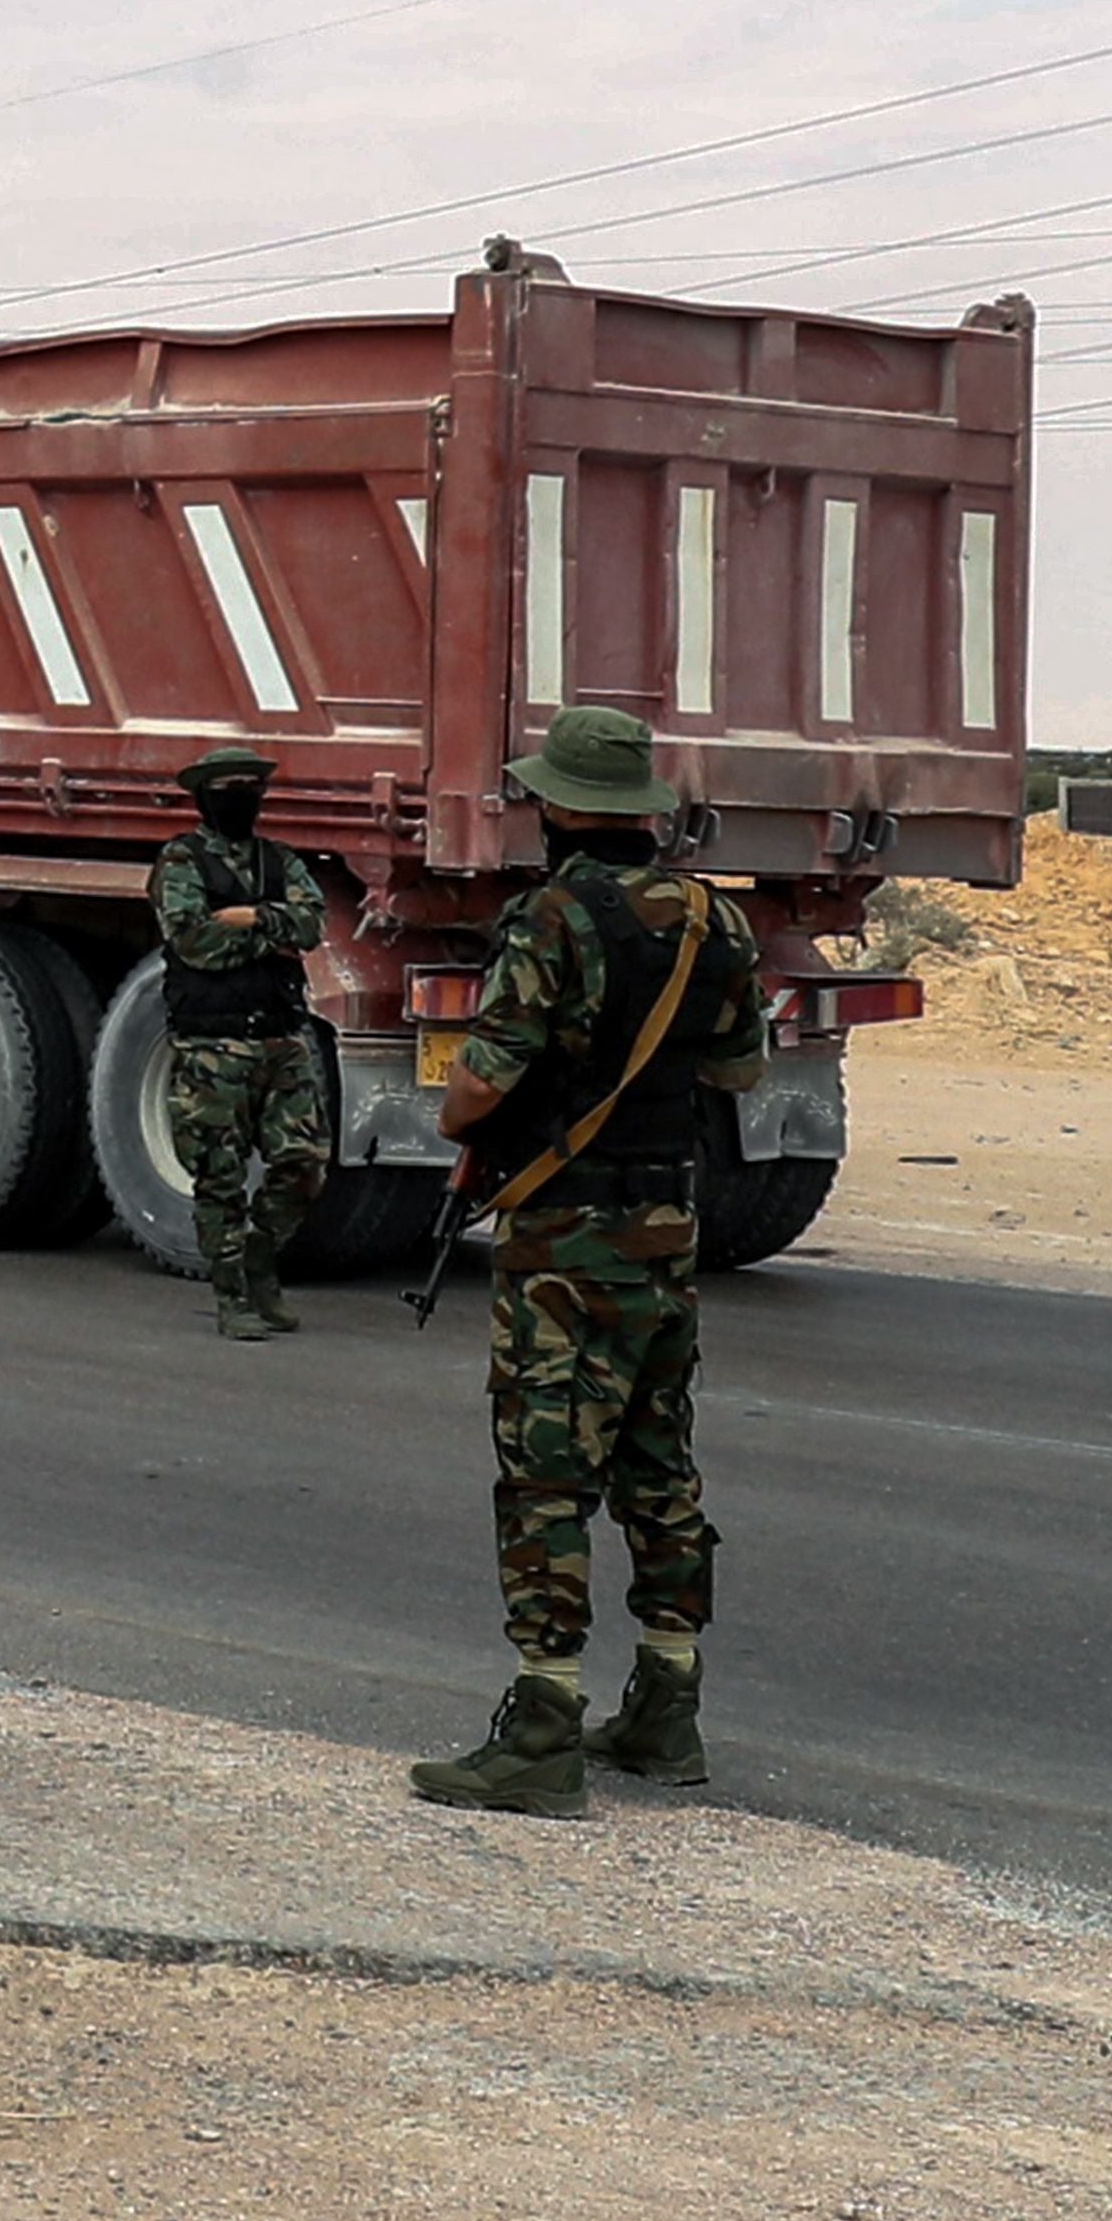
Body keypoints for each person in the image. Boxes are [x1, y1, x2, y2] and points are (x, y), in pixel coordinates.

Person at [407, 701, 767, 1817]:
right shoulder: (716, 921)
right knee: (660, 1470)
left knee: (547, 1472)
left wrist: (474, 1113)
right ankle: (668, 1703)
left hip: (564, 1239)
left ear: (564, 806)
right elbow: (740, 1072)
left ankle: (544, 1722)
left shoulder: (551, 919)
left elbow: (478, 1088)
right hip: (668, 1233)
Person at [150, 744, 331, 1341]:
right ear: (204, 798)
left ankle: (261, 1260)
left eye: (250, 789)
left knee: (303, 1165)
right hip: (213, 1045)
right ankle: (231, 1297)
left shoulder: (278, 860)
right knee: (219, 1176)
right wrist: (271, 926)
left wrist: (250, 918)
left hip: (282, 1039)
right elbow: (193, 941)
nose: (242, 800)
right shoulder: (181, 861)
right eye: (229, 790)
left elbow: (311, 926)